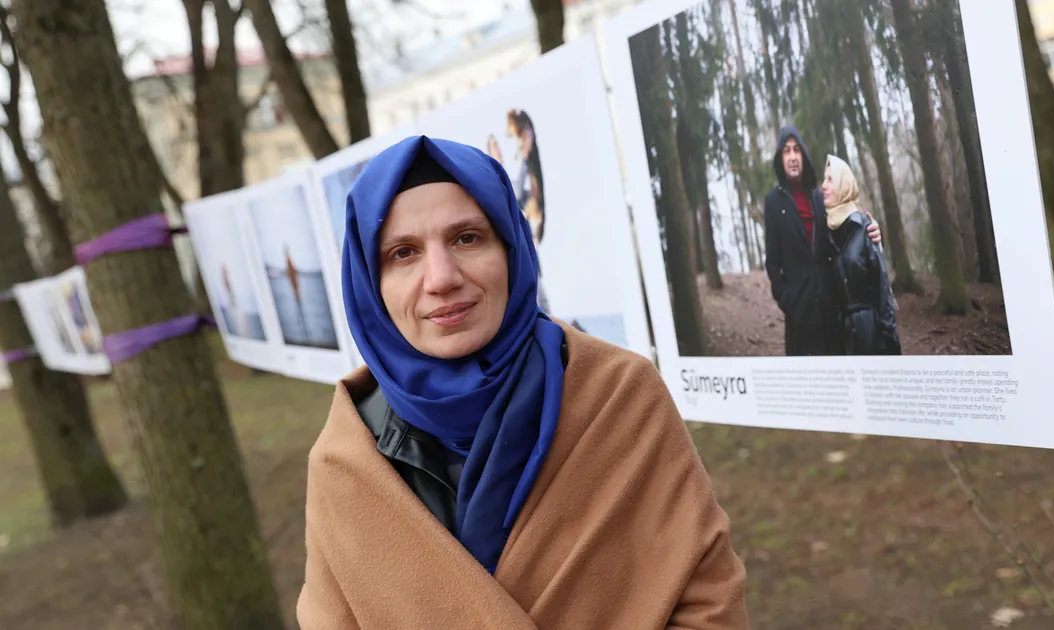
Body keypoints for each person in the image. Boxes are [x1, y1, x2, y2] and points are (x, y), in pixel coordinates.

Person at [296, 135, 748, 628]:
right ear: (369, 283)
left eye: (466, 237)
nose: (441, 277)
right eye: (403, 253)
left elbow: (708, 599)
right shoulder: (345, 462)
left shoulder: (620, 396)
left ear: (512, 247)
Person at [763, 126, 882, 356]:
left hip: (832, 312)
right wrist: (788, 301)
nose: (792, 157)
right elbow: (772, 262)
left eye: (797, 150)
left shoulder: (819, 197)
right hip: (800, 318)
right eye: (786, 151)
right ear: (781, 158)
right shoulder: (774, 202)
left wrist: (872, 232)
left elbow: (845, 240)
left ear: (804, 156)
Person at [822, 155, 901, 356]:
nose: (824, 185)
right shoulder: (829, 232)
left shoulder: (864, 227)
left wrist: (888, 338)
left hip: (872, 332)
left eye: (830, 180)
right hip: (845, 338)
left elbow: (882, 289)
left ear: (844, 186)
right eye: (824, 179)